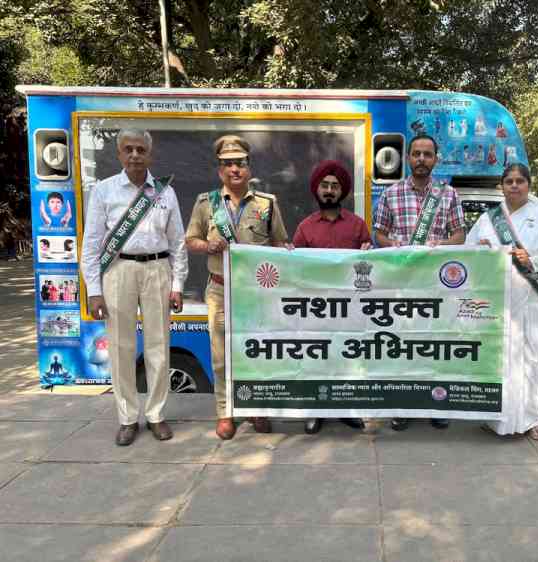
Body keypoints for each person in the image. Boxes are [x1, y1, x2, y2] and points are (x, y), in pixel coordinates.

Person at [81, 129, 188, 446]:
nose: (135, 155)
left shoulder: (165, 193)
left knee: (158, 346)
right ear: (118, 154)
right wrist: (94, 290)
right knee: (120, 347)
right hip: (118, 270)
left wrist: (178, 283)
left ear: (150, 155)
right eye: (128, 149)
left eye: (141, 149)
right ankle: (127, 418)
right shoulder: (104, 191)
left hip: (157, 269)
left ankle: (156, 414)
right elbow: (91, 246)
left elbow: (177, 242)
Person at [186, 135, 289, 440]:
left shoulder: (267, 204)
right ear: (220, 170)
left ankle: (256, 408)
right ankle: (225, 412)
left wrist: (287, 251)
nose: (234, 170)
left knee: (255, 352)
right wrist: (208, 245)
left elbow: (279, 242)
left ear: (249, 168)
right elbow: (190, 240)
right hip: (220, 290)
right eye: (228, 164)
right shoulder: (206, 204)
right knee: (221, 356)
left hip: (256, 293)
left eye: (240, 164)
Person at [466, 163, 538, 440]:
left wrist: (532, 260)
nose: (514, 185)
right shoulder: (488, 219)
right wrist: (482, 251)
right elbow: (469, 250)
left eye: (519, 181)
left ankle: (532, 417)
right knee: (500, 359)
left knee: (532, 359)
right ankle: (498, 418)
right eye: (509, 181)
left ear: (528, 185)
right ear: (502, 185)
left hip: (532, 299)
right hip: (499, 302)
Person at [373, 133, 466, 431]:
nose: (422, 159)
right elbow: (379, 233)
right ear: (408, 158)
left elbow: (459, 236)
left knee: (434, 344)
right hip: (401, 286)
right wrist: (396, 248)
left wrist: (439, 248)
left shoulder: (448, 194)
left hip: (436, 287)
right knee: (402, 346)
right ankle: (401, 406)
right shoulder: (391, 193)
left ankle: (436, 403)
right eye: (416, 154)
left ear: (436, 159)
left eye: (427, 154)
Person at [292, 159, 372, 434]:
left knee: (347, 360)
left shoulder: (358, 225)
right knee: (317, 360)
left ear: (343, 191)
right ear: (317, 189)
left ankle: (346, 410)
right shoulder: (305, 227)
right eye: (324, 185)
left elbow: (369, 265)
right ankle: (315, 412)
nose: (329, 190)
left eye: (334, 186)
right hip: (315, 309)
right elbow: (295, 270)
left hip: (349, 308)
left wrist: (368, 251)